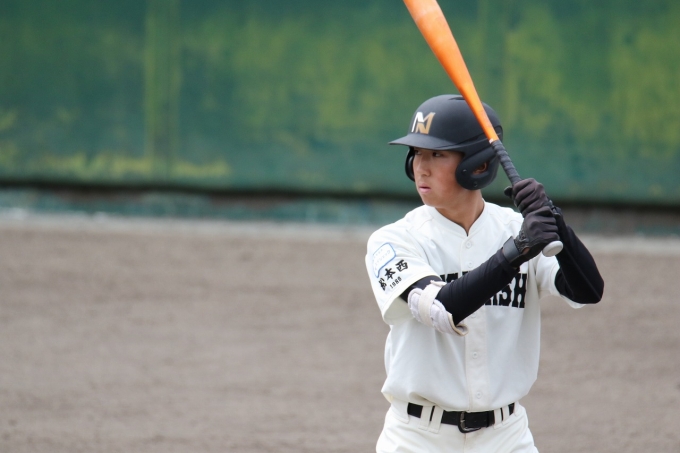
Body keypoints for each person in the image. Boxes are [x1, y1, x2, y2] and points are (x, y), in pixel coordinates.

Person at [364, 94, 604, 452]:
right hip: (418, 439)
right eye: (416, 153)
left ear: (477, 165)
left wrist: (556, 223)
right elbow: (443, 308)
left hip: (507, 437)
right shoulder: (394, 240)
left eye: (437, 154)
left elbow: (587, 290)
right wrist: (516, 251)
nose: (420, 167)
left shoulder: (513, 228)